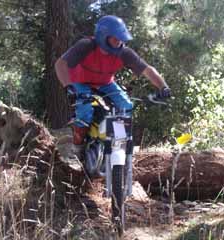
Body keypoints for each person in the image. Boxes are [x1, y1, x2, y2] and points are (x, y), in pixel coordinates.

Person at [55, 15, 171, 160]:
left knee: (126, 105)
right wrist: (68, 87)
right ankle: (77, 146)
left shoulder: (124, 52)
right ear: (103, 36)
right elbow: (60, 64)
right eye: (115, 38)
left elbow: (147, 70)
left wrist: (163, 87)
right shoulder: (86, 45)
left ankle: (119, 145)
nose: (119, 42)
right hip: (80, 81)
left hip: (106, 83)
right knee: (85, 110)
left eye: (121, 38)